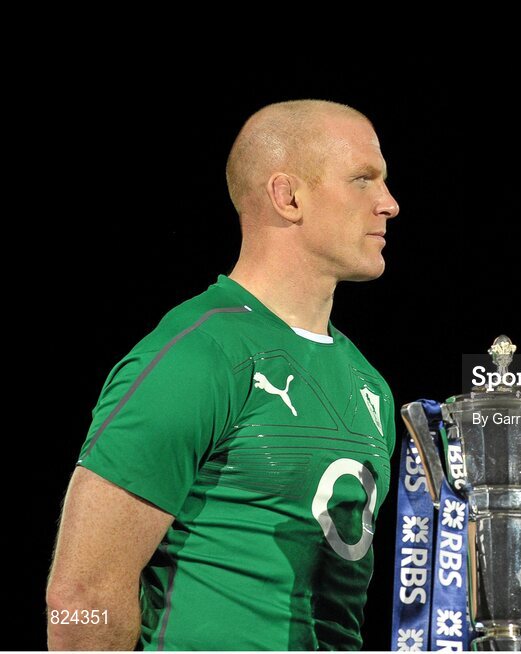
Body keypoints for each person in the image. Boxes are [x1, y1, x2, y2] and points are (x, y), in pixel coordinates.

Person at [46, 100, 400, 650]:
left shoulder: (369, 384)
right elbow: (80, 598)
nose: (389, 204)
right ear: (288, 197)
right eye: (362, 180)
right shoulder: (199, 356)